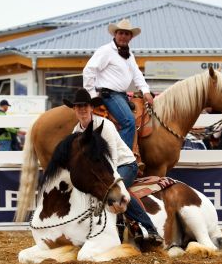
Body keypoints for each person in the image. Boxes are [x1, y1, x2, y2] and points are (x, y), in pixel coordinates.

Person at [63, 89, 162, 246]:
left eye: (85, 106)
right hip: (103, 171)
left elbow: (112, 158)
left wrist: (110, 181)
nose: (82, 109)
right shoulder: (76, 132)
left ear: (91, 108)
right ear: (74, 109)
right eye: (78, 106)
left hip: (125, 164)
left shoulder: (105, 125)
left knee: (118, 192)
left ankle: (150, 229)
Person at [82, 19, 153, 152]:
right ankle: (121, 159)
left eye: (127, 34)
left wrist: (145, 91)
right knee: (129, 122)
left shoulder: (129, 54)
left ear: (131, 37)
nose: (123, 36)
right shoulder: (106, 51)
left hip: (121, 95)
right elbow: (89, 70)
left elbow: (137, 73)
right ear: (115, 34)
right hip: (110, 95)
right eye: (121, 33)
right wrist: (92, 95)